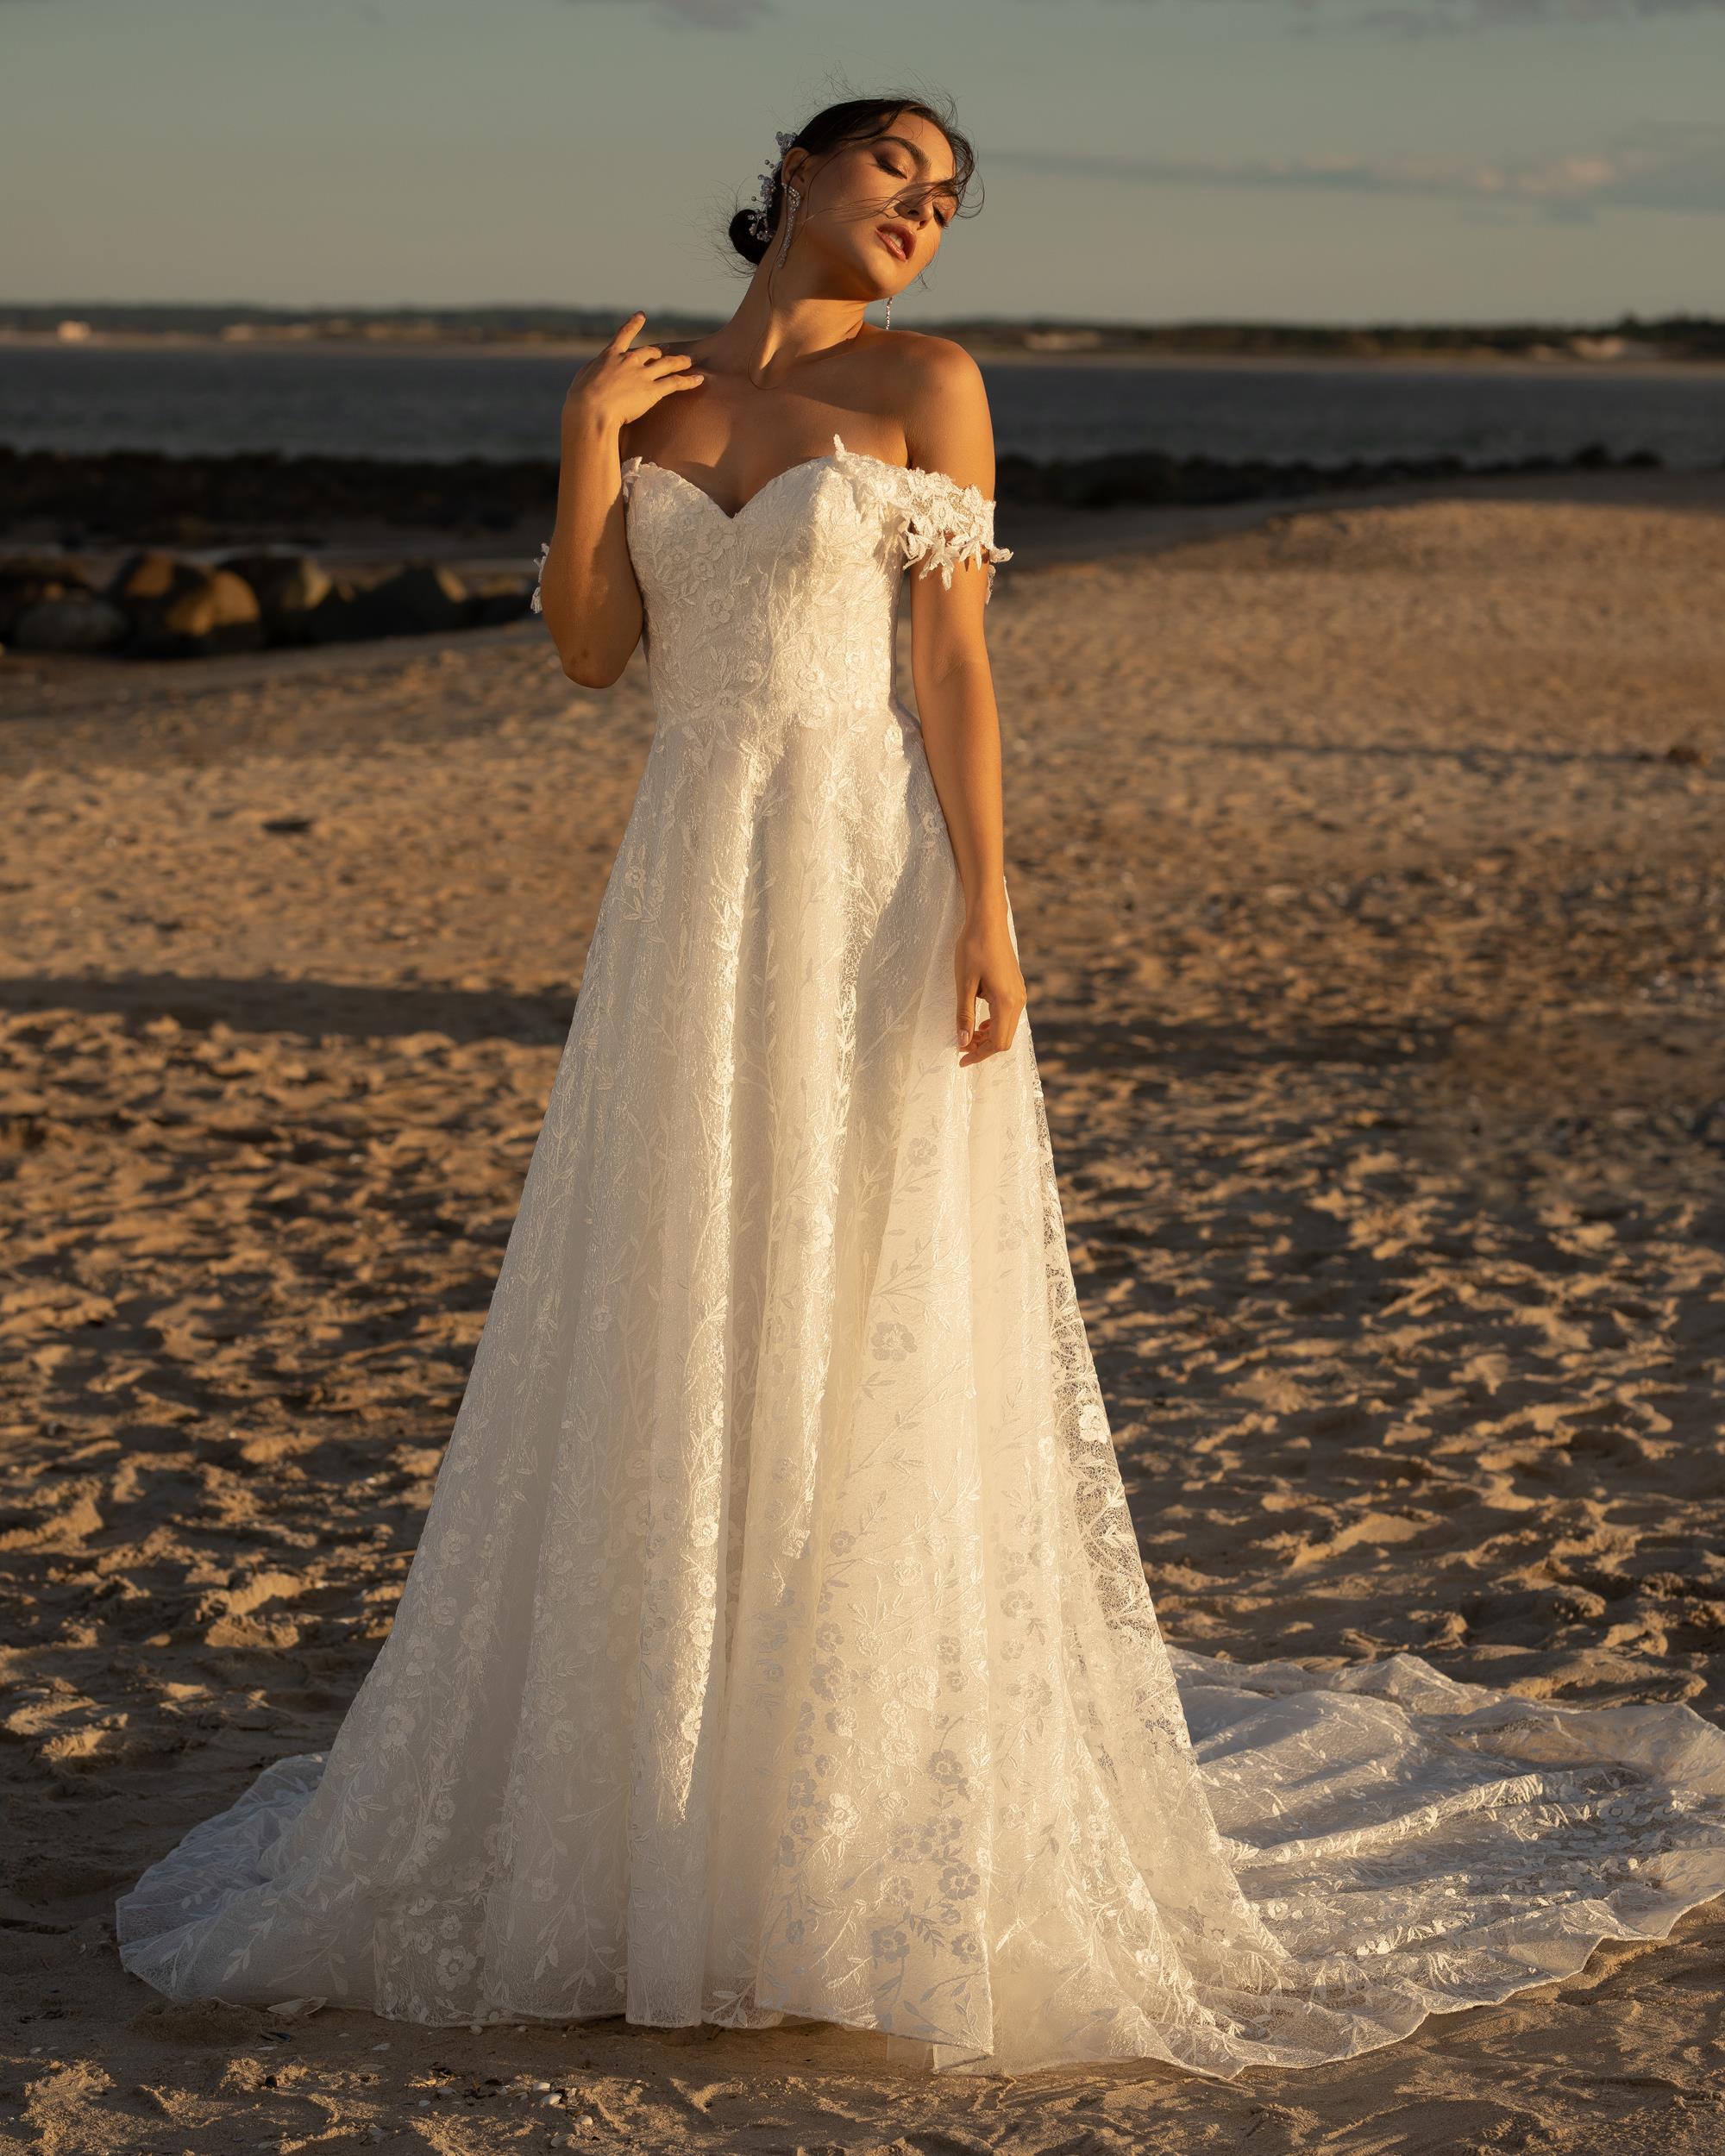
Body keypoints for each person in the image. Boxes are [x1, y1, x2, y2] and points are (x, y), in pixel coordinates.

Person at [114, 92, 1725, 2078]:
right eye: (897, 175)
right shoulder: (652, 393)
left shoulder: (929, 383)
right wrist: (578, 441)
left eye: (950, 202)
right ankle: (662, 1804)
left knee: (851, 1291)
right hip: (687, 901)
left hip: (860, 878)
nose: (922, 218)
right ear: (792, 169)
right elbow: (588, 658)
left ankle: (828, 1824)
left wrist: (989, 908)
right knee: (678, 1288)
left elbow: (952, 659)